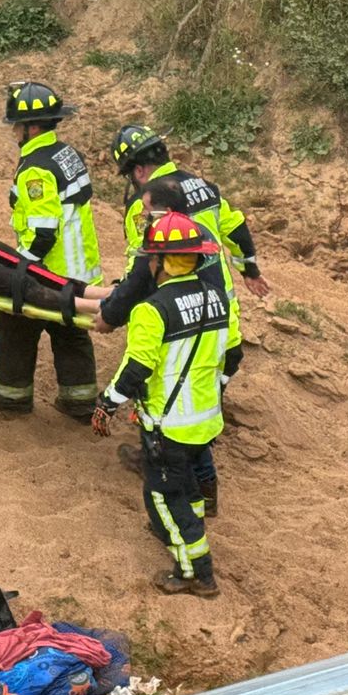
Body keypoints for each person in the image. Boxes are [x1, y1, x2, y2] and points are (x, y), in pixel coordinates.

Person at [92, 212, 238, 597]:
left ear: (157, 261)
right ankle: (190, 536)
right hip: (205, 421)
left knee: (161, 495)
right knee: (188, 487)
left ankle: (195, 573)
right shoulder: (218, 298)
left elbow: (137, 366)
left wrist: (107, 403)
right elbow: (231, 355)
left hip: (169, 424)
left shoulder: (150, 310)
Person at [84, 176, 244, 515]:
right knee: (198, 431)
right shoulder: (197, 241)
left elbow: (139, 360)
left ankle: (171, 490)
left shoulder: (162, 260)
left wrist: (107, 401)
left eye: (145, 211)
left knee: (168, 424)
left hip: (182, 351)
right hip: (217, 342)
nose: (141, 217)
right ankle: (206, 495)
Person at [0, 80, 102, 420]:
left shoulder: (35, 168)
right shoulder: (66, 153)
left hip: (51, 269)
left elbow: (44, 230)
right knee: (71, 334)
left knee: (15, 322)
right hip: (80, 266)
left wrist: (22, 268)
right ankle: (80, 401)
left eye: (17, 124)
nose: (14, 131)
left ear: (32, 127)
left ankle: (11, 395)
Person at [110, 123, 269, 296]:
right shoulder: (204, 187)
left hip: (172, 311)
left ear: (138, 171)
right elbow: (236, 230)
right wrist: (250, 272)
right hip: (222, 308)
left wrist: (121, 293)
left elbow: (141, 260)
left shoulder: (142, 204)